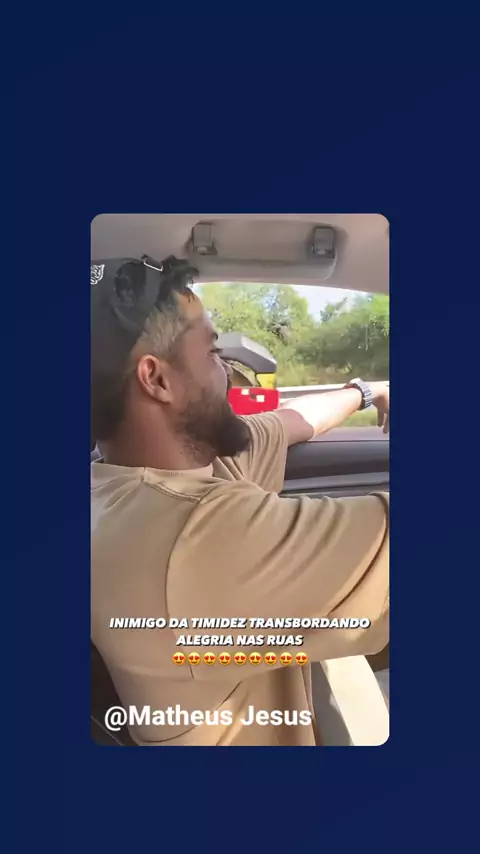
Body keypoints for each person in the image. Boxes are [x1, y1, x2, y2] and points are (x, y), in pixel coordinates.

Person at [91, 254, 389, 746]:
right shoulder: (194, 535)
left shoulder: (130, 483)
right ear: (157, 379)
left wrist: (365, 392)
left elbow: (289, 422)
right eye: (212, 352)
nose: (228, 372)